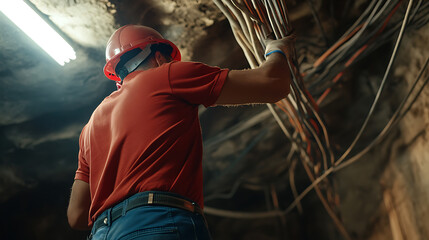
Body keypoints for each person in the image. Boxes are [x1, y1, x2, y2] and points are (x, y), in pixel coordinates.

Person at [67, 24, 294, 239]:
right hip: (158, 223)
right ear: (159, 58)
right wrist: (277, 49)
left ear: (118, 74)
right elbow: (273, 82)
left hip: (102, 234)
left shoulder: (90, 127)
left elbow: (76, 216)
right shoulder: (166, 75)